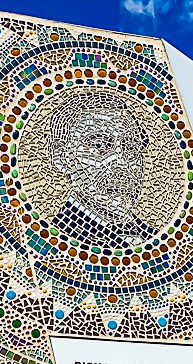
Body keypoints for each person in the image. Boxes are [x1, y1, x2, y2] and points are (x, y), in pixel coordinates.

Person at [48, 91, 155, 248]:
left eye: (131, 147)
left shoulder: (156, 238)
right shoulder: (58, 242)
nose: (121, 162)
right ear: (62, 158)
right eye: (99, 145)